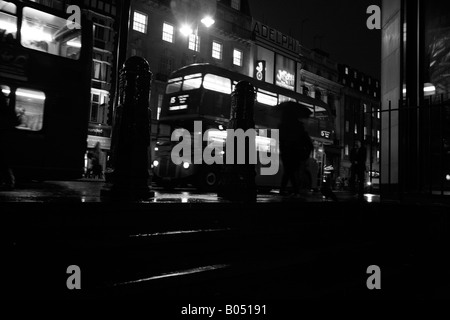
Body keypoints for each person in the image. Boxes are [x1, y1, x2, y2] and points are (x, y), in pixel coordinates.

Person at [278, 108, 314, 196]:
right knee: (290, 172)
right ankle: (294, 190)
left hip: (287, 153)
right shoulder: (298, 127)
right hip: (294, 154)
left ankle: (290, 190)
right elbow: (307, 141)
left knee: (289, 171)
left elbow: (281, 140)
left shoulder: (283, 126)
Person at [0, 90, 19, 190]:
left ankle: (8, 182)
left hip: (4, 137)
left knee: (3, 162)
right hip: (5, 137)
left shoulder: (5, 110)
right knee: (4, 163)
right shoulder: (8, 109)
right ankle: (9, 182)